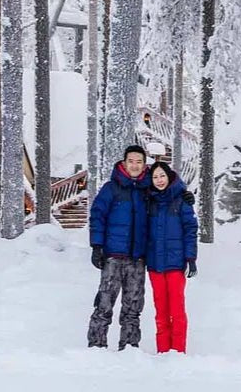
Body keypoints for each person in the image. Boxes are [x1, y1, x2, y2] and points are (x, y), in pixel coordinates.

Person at [87, 144, 151, 350]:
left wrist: (184, 196)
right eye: (131, 161)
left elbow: (168, 194)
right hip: (113, 257)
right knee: (104, 304)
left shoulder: (148, 190)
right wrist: (97, 245)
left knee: (133, 307)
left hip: (137, 258)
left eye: (139, 162)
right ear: (124, 163)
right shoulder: (111, 188)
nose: (134, 165)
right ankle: (96, 346)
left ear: (144, 165)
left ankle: (130, 347)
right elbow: (97, 216)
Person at [144, 161, 197, 354]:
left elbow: (190, 229)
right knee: (161, 311)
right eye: (155, 177)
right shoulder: (148, 201)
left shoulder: (181, 200)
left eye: (162, 176)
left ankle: (178, 351)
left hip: (175, 263)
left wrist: (191, 258)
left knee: (177, 309)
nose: (159, 180)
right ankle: (163, 352)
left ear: (169, 177)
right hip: (155, 264)